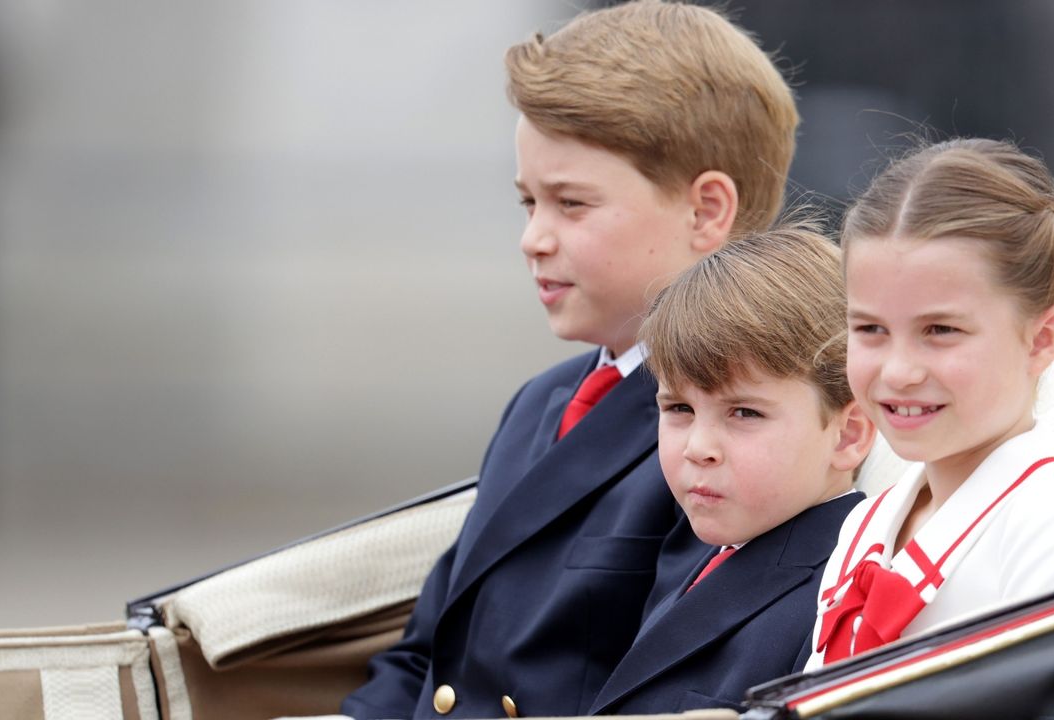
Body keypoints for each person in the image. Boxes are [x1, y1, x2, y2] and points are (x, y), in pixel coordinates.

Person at [341, 3, 799, 718]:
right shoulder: (542, 402)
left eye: (571, 204)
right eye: (528, 202)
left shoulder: (737, 438)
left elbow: (665, 685)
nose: (533, 238)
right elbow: (426, 651)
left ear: (707, 210)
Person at [806, 138, 1054, 668]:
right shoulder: (866, 523)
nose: (899, 371)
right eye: (870, 329)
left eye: (941, 330)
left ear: (1042, 338)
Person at [589, 225, 874, 715]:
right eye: (678, 408)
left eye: (744, 413)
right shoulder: (711, 547)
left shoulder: (840, 601)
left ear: (847, 435)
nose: (699, 447)